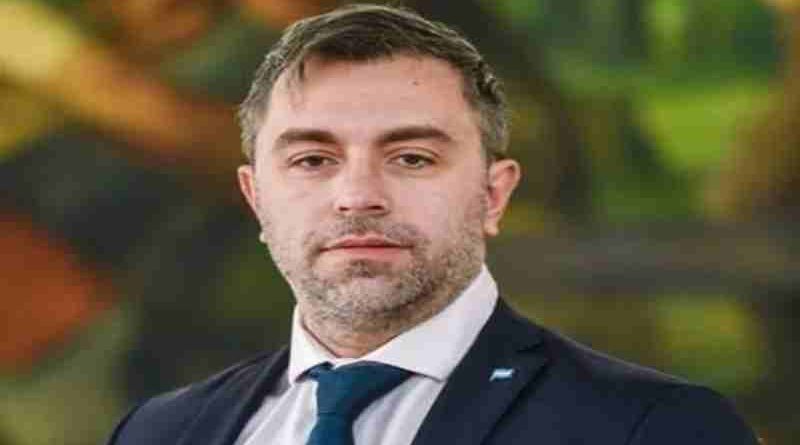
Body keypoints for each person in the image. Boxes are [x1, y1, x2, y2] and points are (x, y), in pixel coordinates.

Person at [105, 4, 760, 444]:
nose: (357, 196)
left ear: (494, 192)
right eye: (312, 159)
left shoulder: (657, 426)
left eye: (412, 157)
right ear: (256, 196)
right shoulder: (159, 431)